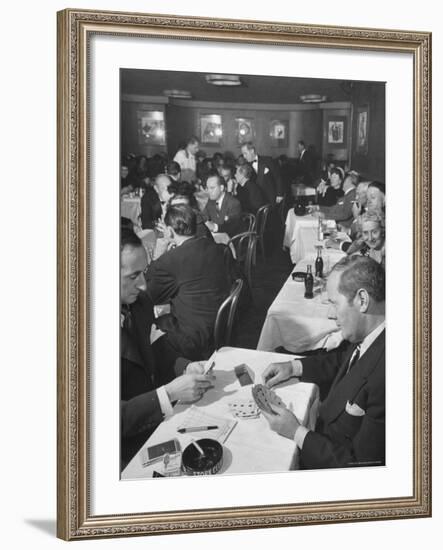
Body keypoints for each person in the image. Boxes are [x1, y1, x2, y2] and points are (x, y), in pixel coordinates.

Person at [262, 256, 385, 470]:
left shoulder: (388, 375)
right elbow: (343, 361)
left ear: (362, 301)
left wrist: (296, 432)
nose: (331, 314)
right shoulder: (371, 334)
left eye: (334, 304)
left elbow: (360, 465)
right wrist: (293, 367)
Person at [120, 227, 214, 468]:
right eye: (133, 276)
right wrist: (169, 394)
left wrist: (186, 367)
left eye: (144, 273)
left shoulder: (139, 304)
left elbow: (156, 348)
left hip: (156, 421)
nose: (143, 286)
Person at [145, 204, 230, 360]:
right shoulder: (219, 249)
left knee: (145, 327)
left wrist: (156, 257)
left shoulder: (170, 261)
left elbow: (149, 296)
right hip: (221, 327)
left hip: (193, 338)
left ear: (169, 231)